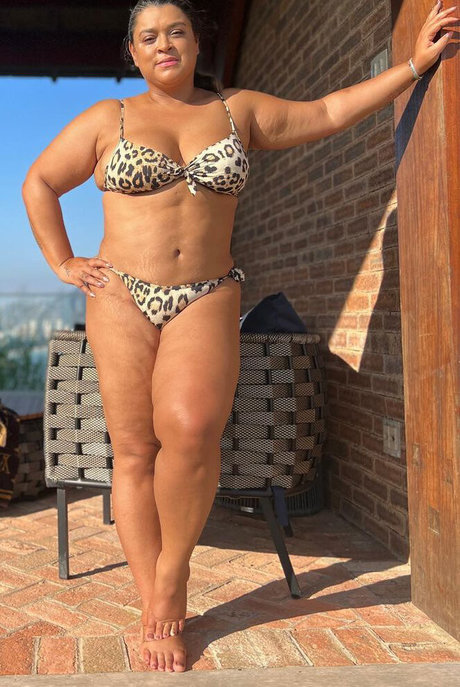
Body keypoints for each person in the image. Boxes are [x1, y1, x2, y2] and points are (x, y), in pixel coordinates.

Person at [22, 0, 457, 673]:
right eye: (148, 36)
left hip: (207, 291)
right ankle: (153, 601)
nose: (163, 43)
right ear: (133, 53)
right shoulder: (110, 118)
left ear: (197, 42)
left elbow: (330, 111)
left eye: (176, 31)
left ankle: (172, 578)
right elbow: (40, 182)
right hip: (121, 295)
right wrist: (63, 262)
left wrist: (412, 65)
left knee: (193, 427)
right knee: (133, 452)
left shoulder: (237, 111)